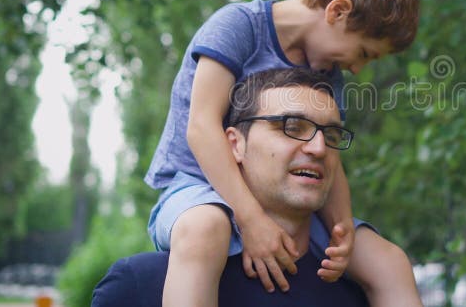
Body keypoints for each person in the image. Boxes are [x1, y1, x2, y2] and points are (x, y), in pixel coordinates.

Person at [144, 0, 423, 307]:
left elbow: (329, 155)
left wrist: (342, 231)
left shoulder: (326, 71)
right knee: (203, 231)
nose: (357, 68)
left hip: (287, 204)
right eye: (364, 52)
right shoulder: (239, 27)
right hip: (198, 188)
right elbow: (201, 126)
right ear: (337, 11)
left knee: (389, 263)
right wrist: (251, 221)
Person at [93, 69, 377, 306]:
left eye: (331, 134)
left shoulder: (364, 294)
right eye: (292, 126)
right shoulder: (139, 286)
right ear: (235, 144)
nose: (318, 147)